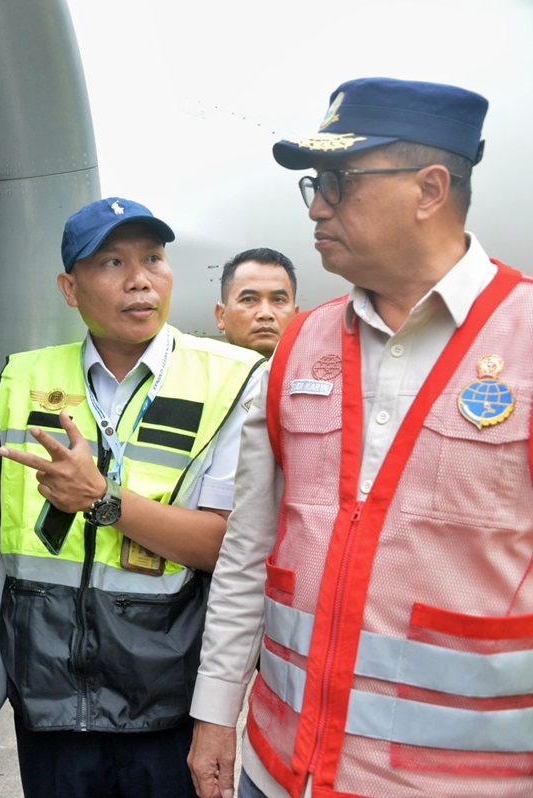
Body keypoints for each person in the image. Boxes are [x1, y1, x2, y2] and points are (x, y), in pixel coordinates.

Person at [187, 77, 533, 798]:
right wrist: (216, 713)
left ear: (430, 190)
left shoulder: (525, 338)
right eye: (315, 183)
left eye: (340, 182)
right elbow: (250, 550)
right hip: (277, 772)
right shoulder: (298, 348)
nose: (316, 205)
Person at [0, 197, 265, 797]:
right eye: (110, 262)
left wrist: (104, 500)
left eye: (153, 258)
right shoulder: (26, 377)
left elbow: (222, 546)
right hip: (50, 704)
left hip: (163, 705)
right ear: (70, 287)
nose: (140, 280)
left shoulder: (230, 378)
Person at [214, 248, 299, 356]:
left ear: (295, 317)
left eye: (278, 300)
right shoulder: (195, 372)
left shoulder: (320, 371)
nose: (265, 314)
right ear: (221, 315)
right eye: (248, 299)